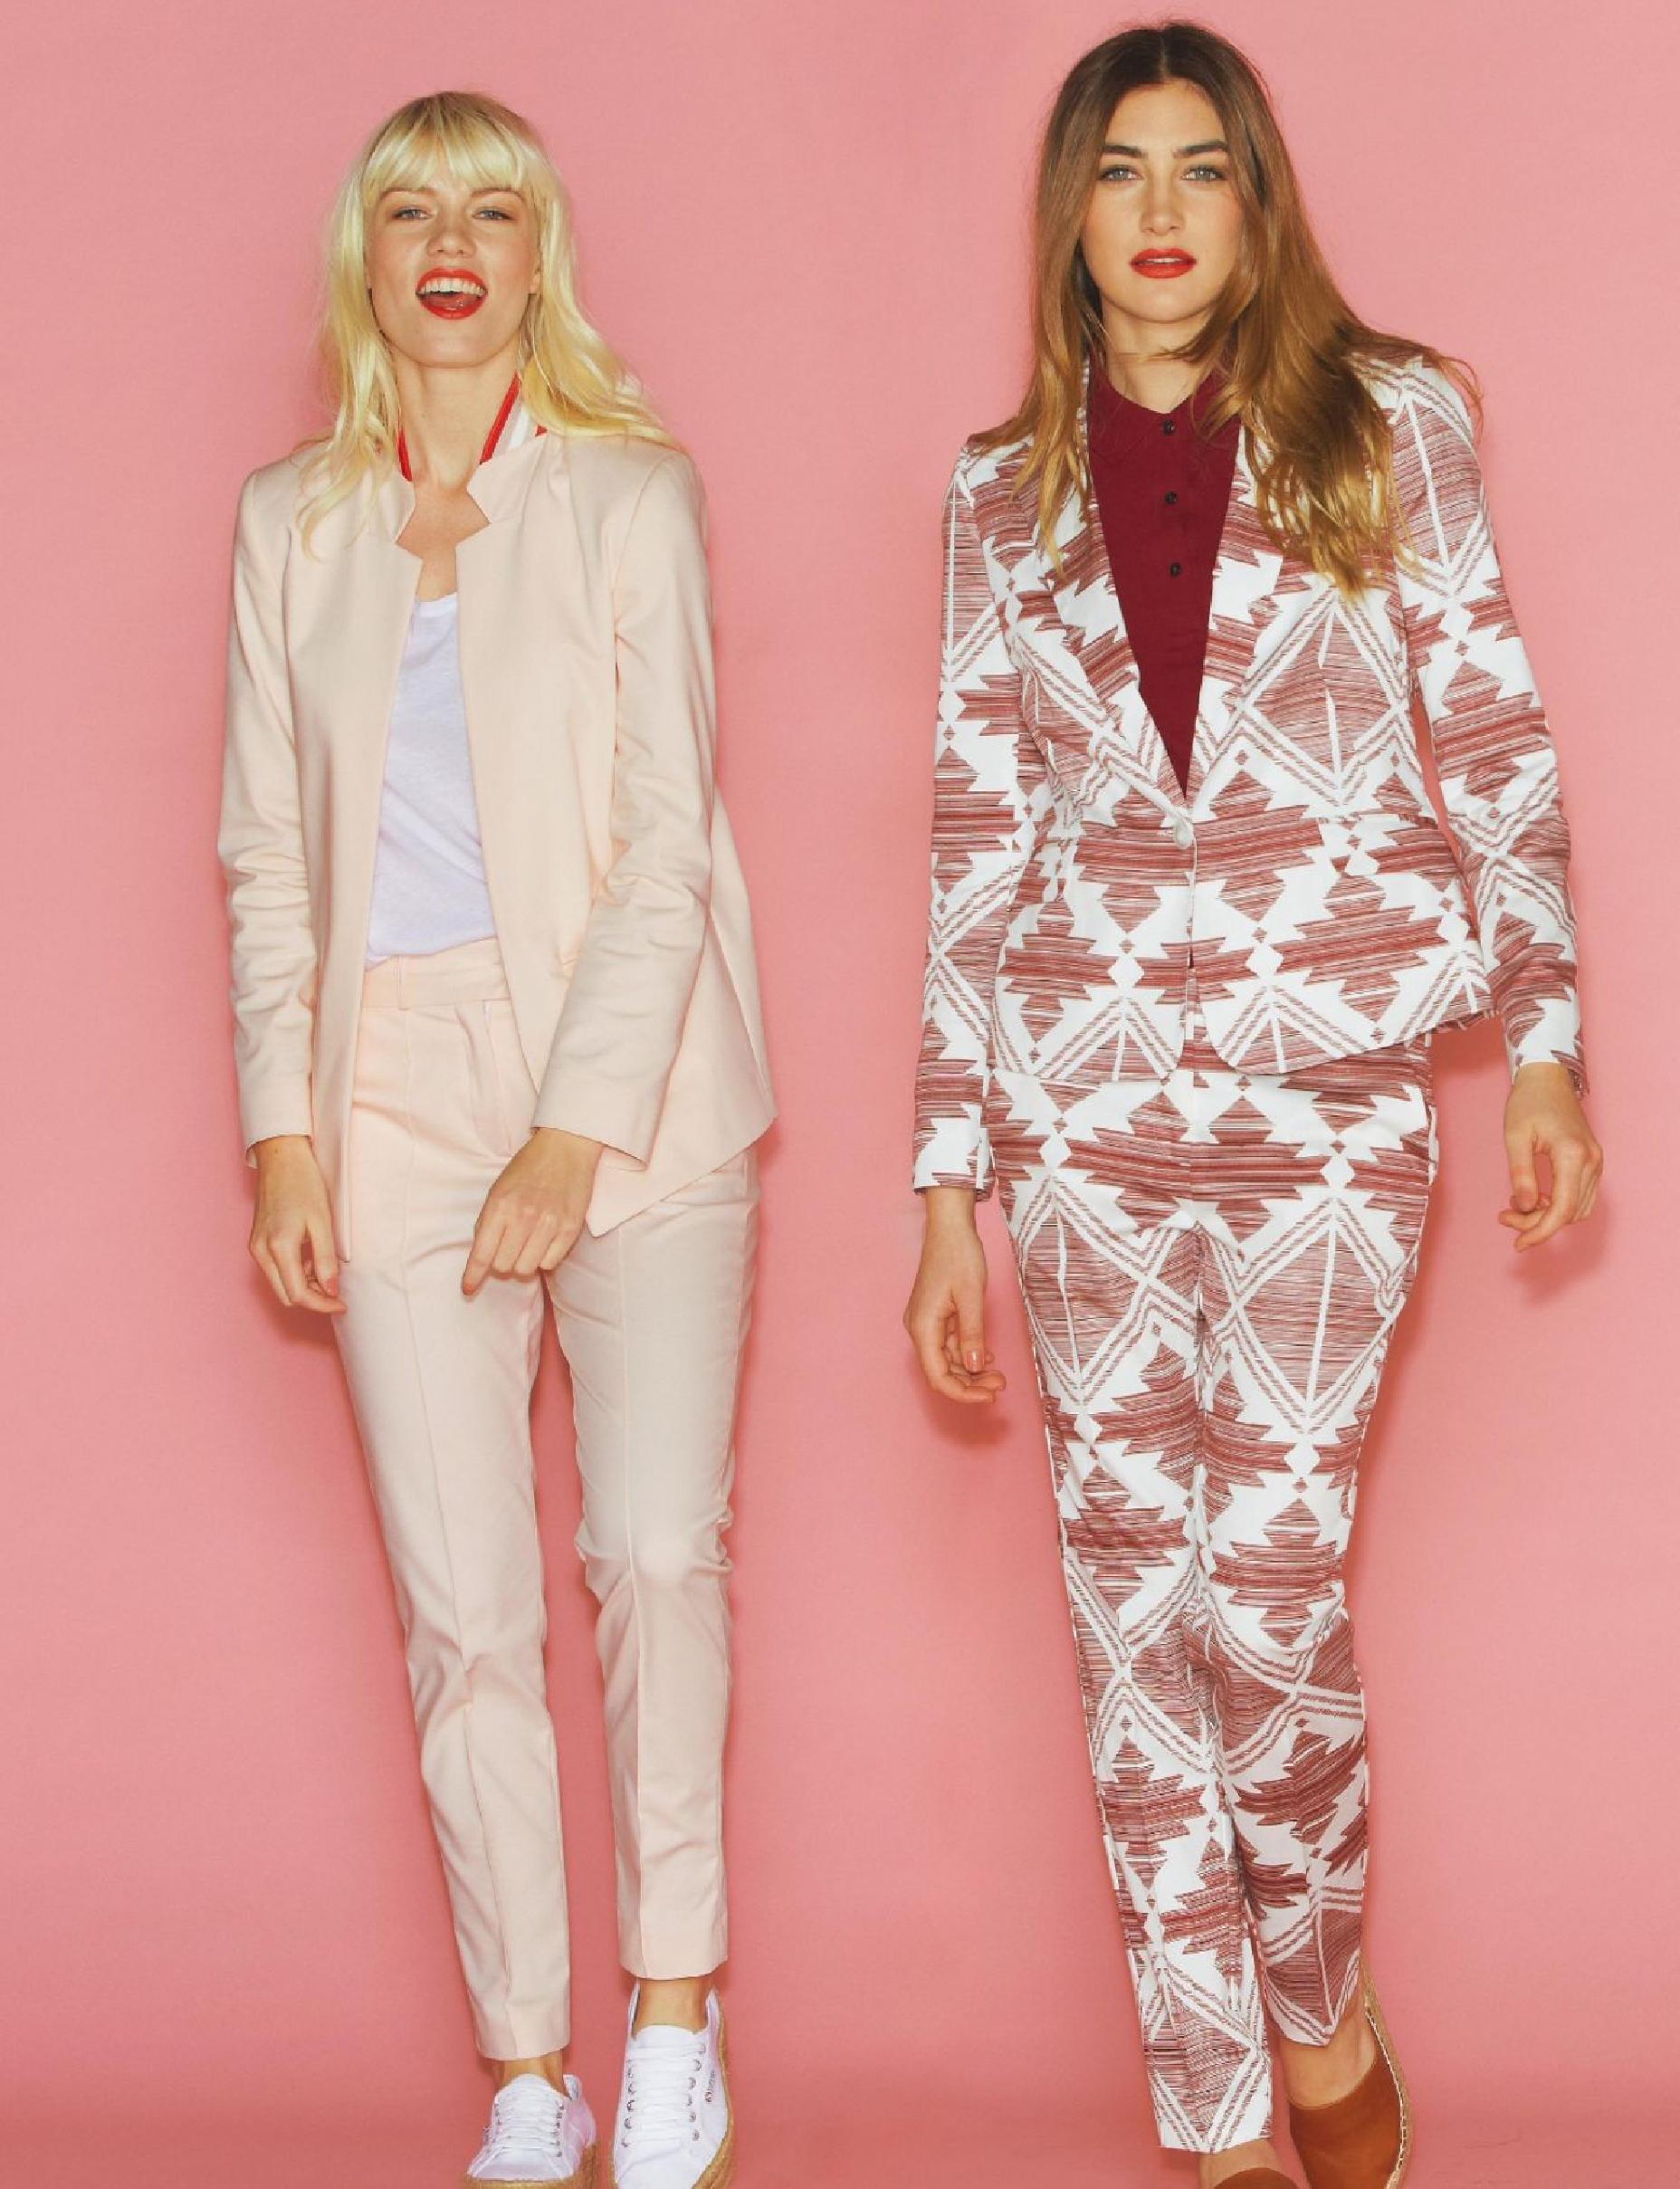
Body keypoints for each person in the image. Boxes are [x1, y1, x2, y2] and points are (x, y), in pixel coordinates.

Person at [904, 23, 1601, 2189]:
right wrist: (944, 1178)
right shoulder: (995, 495)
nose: (1161, 211)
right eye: (1121, 172)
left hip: (1329, 1096)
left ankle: (1313, 1992)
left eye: (1201, 169)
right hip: (1076, 1109)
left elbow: (1490, 728)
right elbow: (975, 837)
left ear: (1255, 201)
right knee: (1130, 1617)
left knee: (1269, 1594)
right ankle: (1211, 2123)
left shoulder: (1390, 425)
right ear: (1071, 214)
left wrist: (1547, 1036)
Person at [219, 90, 771, 2189]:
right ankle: (531, 2072)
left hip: (636, 1084)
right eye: (409, 209)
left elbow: (664, 850)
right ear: (365, 259)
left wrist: (568, 1131)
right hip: (388, 1090)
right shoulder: (289, 523)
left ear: (541, 258)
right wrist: (283, 1137)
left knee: (654, 1553)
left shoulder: (634, 496)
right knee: (462, 1614)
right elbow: (269, 853)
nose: (449, 244)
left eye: (491, 208)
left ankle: (673, 2022)